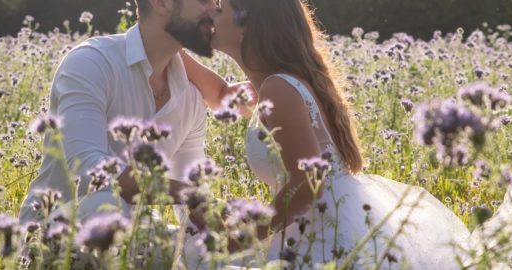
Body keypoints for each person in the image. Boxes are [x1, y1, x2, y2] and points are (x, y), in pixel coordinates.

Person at [196, 0, 471, 267]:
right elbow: (220, 95)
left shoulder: (278, 89)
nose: (211, 13)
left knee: (200, 259)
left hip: (324, 233)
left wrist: (240, 239)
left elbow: (306, 184)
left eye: (221, 9)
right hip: (320, 222)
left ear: (248, 26)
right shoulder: (275, 85)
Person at [18, 0, 242, 225]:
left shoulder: (191, 97)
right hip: (55, 236)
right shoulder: (91, 63)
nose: (216, 9)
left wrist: (223, 232)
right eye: (205, 0)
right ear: (162, 3)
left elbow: (191, 207)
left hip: (137, 239)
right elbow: (89, 168)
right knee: (104, 205)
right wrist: (187, 193)